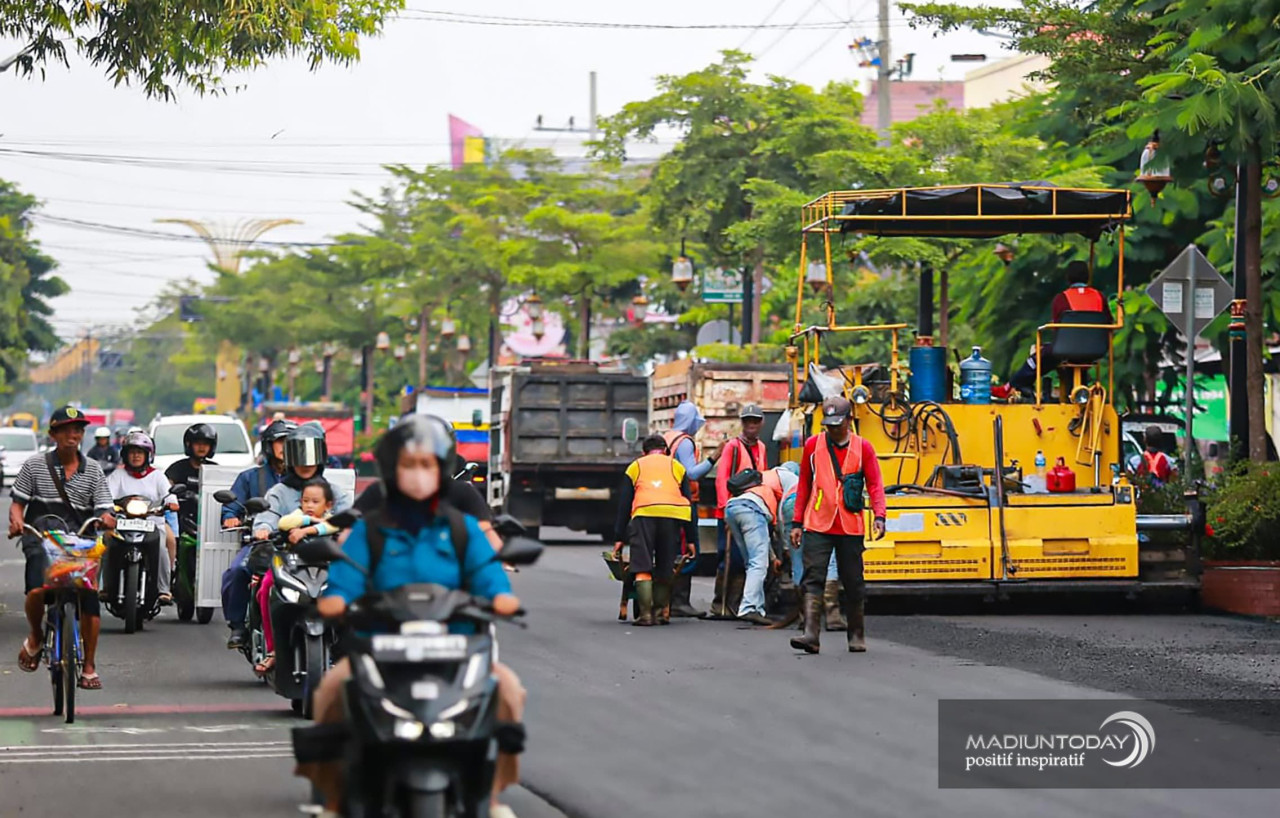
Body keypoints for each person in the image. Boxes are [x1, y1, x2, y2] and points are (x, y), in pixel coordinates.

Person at [301, 417, 525, 818]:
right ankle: (333, 799)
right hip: (380, 644)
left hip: (457, 643)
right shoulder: (371, 529)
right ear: (394, 468)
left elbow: (488, 573)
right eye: (409, 465)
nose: (418, 474)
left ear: (441, 468)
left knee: (507, 691)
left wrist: (501, 597)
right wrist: (336, 599)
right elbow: (347, 574)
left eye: (427, 464)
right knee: (332, 690)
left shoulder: (463, 529)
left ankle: (490, 797)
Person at [9, 406, 115, 689]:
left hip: (80, 543)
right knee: (36, 591)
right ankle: (36, 636)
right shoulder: (34, 465)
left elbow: (105, 508)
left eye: (78, 430)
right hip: (40, 539)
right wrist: (17, 522)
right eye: (66, 429)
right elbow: (17, 504)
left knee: (90, 599)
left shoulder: (93, 469)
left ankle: (89, 665)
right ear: (53, 434)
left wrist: (107, 518)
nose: (73, 435)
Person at [789, 395, 887, 654]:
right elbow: (804, 484)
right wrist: (797, 522)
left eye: (838, 424)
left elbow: (875, 484)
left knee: (853, 581)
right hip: (818, 522)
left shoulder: (864, 448)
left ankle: (856, 635)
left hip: (850, 525)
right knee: (813, 578)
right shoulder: (813, 445)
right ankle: (811, 634)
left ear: (849, 420)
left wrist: (879, 516)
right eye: (829, 425)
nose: (833, 430)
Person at [220, 419, 296, 649]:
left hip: (299, 542)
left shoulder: (307, 479)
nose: (285, 447)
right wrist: (231, 517)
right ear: (268, 446)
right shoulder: (250, 478)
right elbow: (231, 507)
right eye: (280, 442)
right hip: (262, 542)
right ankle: (237, 626)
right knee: (237, 571)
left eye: (291, 442)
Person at [993, 261, 1113, 399]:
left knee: (1043, 355)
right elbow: (1108, 321)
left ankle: (1013, 385)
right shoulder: (1100, 297)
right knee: (1064, 355)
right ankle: (1075, 394)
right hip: (1096, 349)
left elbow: (1057, 328)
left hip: (1067, 348)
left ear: (1068, 277)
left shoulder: (1061, 298)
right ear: (1087, 276)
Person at [613, 434, 699, 626]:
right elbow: (688, 503)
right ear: (666, 451)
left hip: (644, 513)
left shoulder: (636, 466)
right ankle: (660, 613)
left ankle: (645, 615)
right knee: (665, 566)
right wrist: (691, 539)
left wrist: (619, 537)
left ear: (644, 452)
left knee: (642, 565)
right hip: (672, 515)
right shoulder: (677, 467)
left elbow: (624, 504)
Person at [254, 478, 337, 674]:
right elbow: (284, 523)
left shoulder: (333, 520)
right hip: (291, 568)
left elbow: (333, 526)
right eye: (305, 501)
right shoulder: (296, 517)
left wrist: (307, 530)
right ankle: (273, 650)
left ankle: (341, 649)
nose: (309, 506)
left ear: (328, 505)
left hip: (325, 570)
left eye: (315, 502)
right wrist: (309, 520)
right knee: (265, 589)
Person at [711, 404, 769, 618]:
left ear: (761, 423)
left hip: (753, 510)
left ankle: (735, 603)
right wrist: (725, 509)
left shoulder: (761, 447)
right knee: (728, 557)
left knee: (746, 558)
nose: (752, 425)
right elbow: (721, 479)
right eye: (748, 421)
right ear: (742, 423)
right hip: (732, 511)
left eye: (755, 421)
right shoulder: (733, 447)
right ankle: (720, 604)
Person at [106, 431, 177, 606]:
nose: (136, 456)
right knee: (105, 543)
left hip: (153, 522)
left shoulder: (157, 476)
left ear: (148, 455)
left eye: (140, 452)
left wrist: (171, 502)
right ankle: (104, 586)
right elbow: (106, 495)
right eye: (132, 452)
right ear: (125, 455)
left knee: (164, 545)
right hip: (122, 523)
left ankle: (164, 589)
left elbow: (169, 495)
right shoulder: (117, 475)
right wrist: (108, 506)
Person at [723, 463, 798, 625]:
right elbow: (782, 517)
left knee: (752, 563)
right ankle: (748, 608)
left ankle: (757, 607)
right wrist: (786, 547)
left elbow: (764, 536)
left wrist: (772, 558)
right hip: (752, 510)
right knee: (758, 564)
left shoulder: (765, 478)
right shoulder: (789, 479)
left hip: (732, 508)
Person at [662, 401, 716, 618]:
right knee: (687, 549)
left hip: (666, 500)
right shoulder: (684, 442)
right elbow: (691, 473)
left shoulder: (667, 437)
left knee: (671, 549)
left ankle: (667, 599)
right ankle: (679, 601)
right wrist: (713, 458)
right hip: (683, 501)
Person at [253, 424, 353, 539]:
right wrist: (263, 530)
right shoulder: (278, 493)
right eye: (299, 461)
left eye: (310, 461)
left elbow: (347, 521)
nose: (305, 466)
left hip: (327, 548)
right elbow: (267, 518)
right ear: (290, 461)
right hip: (286, 548)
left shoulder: (335, 492)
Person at [165, 422, 219, 535]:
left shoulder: (215, 469)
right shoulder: (177, 468)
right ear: (189, 444)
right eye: (198, 443)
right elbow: (166, 489)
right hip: (182, 520)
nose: (202, 447)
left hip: (210, 519)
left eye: (205, 444)